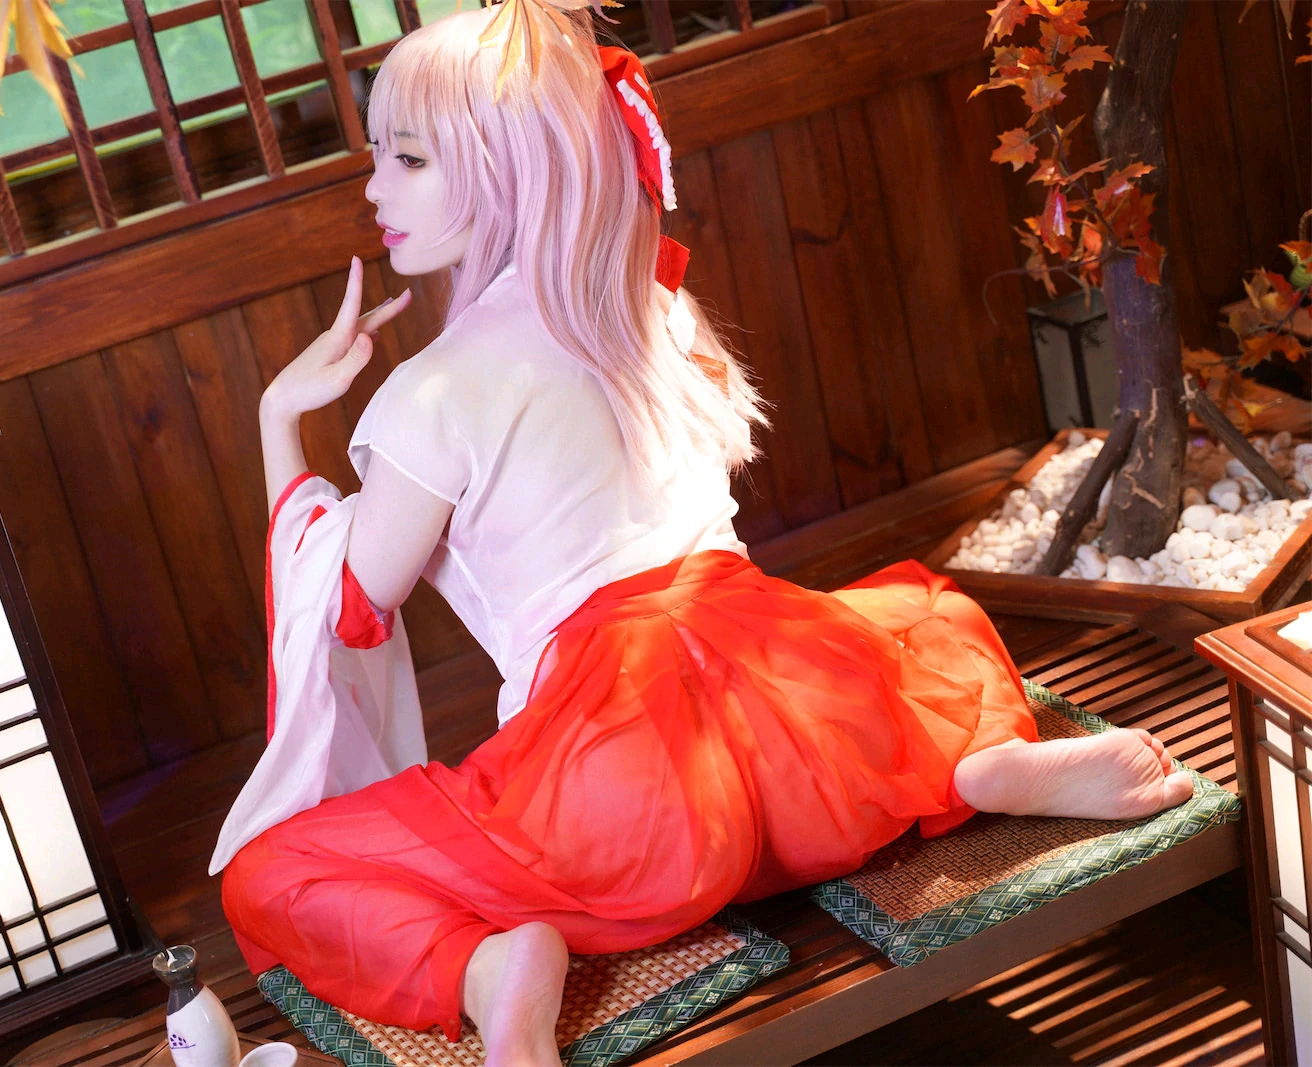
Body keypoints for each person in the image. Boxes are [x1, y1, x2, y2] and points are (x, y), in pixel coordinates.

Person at [212, 5, 1195, 1065]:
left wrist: (278, 421)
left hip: (631, 797)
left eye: (408, 159)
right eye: (376, 157)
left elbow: (348, 609)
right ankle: (974, 759)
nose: (374, 190)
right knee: (930, 615)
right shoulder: (650, 310)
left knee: (268, 872)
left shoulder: (430, 395)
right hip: (814, 721)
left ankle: (488, 970)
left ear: (510, 170)